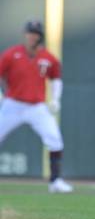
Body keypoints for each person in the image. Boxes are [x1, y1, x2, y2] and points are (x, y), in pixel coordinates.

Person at [0, 21, 73, 193]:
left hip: (36, 107)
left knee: (54, 139)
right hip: (13, 104)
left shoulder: (48, 58)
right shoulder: (12, 54)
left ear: (40, 36)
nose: (32, 36)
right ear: (25, 34)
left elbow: (56, 79)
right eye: (30, 33)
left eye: (35, 33)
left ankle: (55, 181)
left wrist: (55, 99)